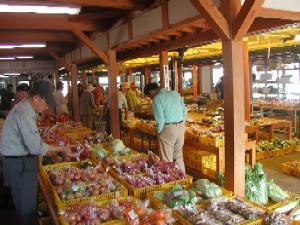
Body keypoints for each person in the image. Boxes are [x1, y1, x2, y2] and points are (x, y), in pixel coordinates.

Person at [0, 80, 72, 225]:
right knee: (27, 208)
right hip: (20, 164)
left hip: (21, 162)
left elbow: (33, 143)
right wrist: (61, 149)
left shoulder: (26, 109)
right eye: (45, 102)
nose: (46, 107)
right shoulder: (24, 112)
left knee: (27, 205)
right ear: (36, 98)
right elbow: (35, 147)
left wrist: (51, 152)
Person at [144, 82, 187, 172]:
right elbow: (185, 112)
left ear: (151, 92)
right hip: (180, 127)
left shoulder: (157, 99)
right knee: (179, 157)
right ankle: (183, 179)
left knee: (167, 160)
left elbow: (160, 120)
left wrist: (159, 132)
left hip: (168, 129)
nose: (150, 98)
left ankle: (171, 182)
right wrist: (181, 125)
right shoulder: (175, 93)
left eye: (149, 96)